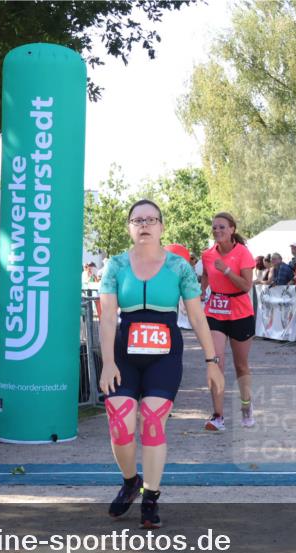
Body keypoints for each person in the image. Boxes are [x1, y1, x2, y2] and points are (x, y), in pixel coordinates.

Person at [98, 199, 223, 529]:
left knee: (152, 421)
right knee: (120, 423)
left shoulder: (179, 267)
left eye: (151, 220)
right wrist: (107, 362)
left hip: (164, 355)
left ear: (162, 227)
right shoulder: (115, 266)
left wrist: (212, 361)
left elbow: (197, 316)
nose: (144, 225)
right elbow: (108, 317)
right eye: (137, 220)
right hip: (123, 355)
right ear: (129, 227)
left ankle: (151, 497)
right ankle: (131, 482)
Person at [200, 211, 257, 432]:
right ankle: (218, 416)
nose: (217, 231)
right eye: (214, 227)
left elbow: (246, 286)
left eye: (222, 227)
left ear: (232, 229)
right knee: (215, 362)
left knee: (240, 365)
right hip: (215, 311)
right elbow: (206, 274)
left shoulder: (242, 253)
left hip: (240, 312)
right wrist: (202, 290)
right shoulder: (207, 255)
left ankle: (246, 407)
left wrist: (226, 271)